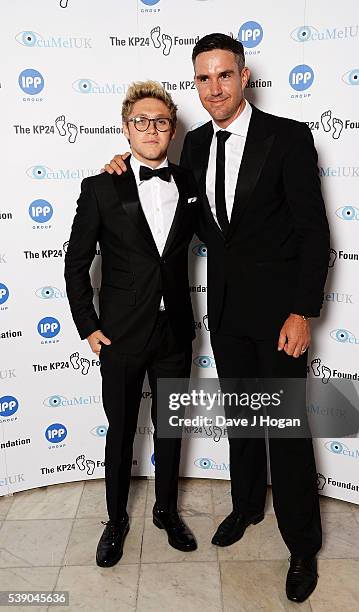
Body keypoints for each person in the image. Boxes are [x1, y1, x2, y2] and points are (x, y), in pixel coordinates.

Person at [104, 34, 330, 602]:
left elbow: (314, 231)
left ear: (244, 75)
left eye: (223, 75)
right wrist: (117, 167)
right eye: (202, 79)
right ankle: (247, 507)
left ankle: (302, 544)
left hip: (282, 318)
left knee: (286, 430)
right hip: (225, 315)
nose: (214, 88)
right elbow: (167, 204)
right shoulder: (195, 145)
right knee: (244, 425)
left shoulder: (288, 137)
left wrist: (303, 311)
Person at [64, 80, 199, 568]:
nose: (151, 129)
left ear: (171, 129)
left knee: (171, 428)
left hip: (175, 333)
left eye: (160, 121)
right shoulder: (102, 186)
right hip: (119, 335)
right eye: (140, 121)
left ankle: (166, 510)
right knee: (120, 432)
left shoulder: (191, 184)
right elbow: (76, 262)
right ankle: (115, 520)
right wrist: (88, 326)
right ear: (126, 128)